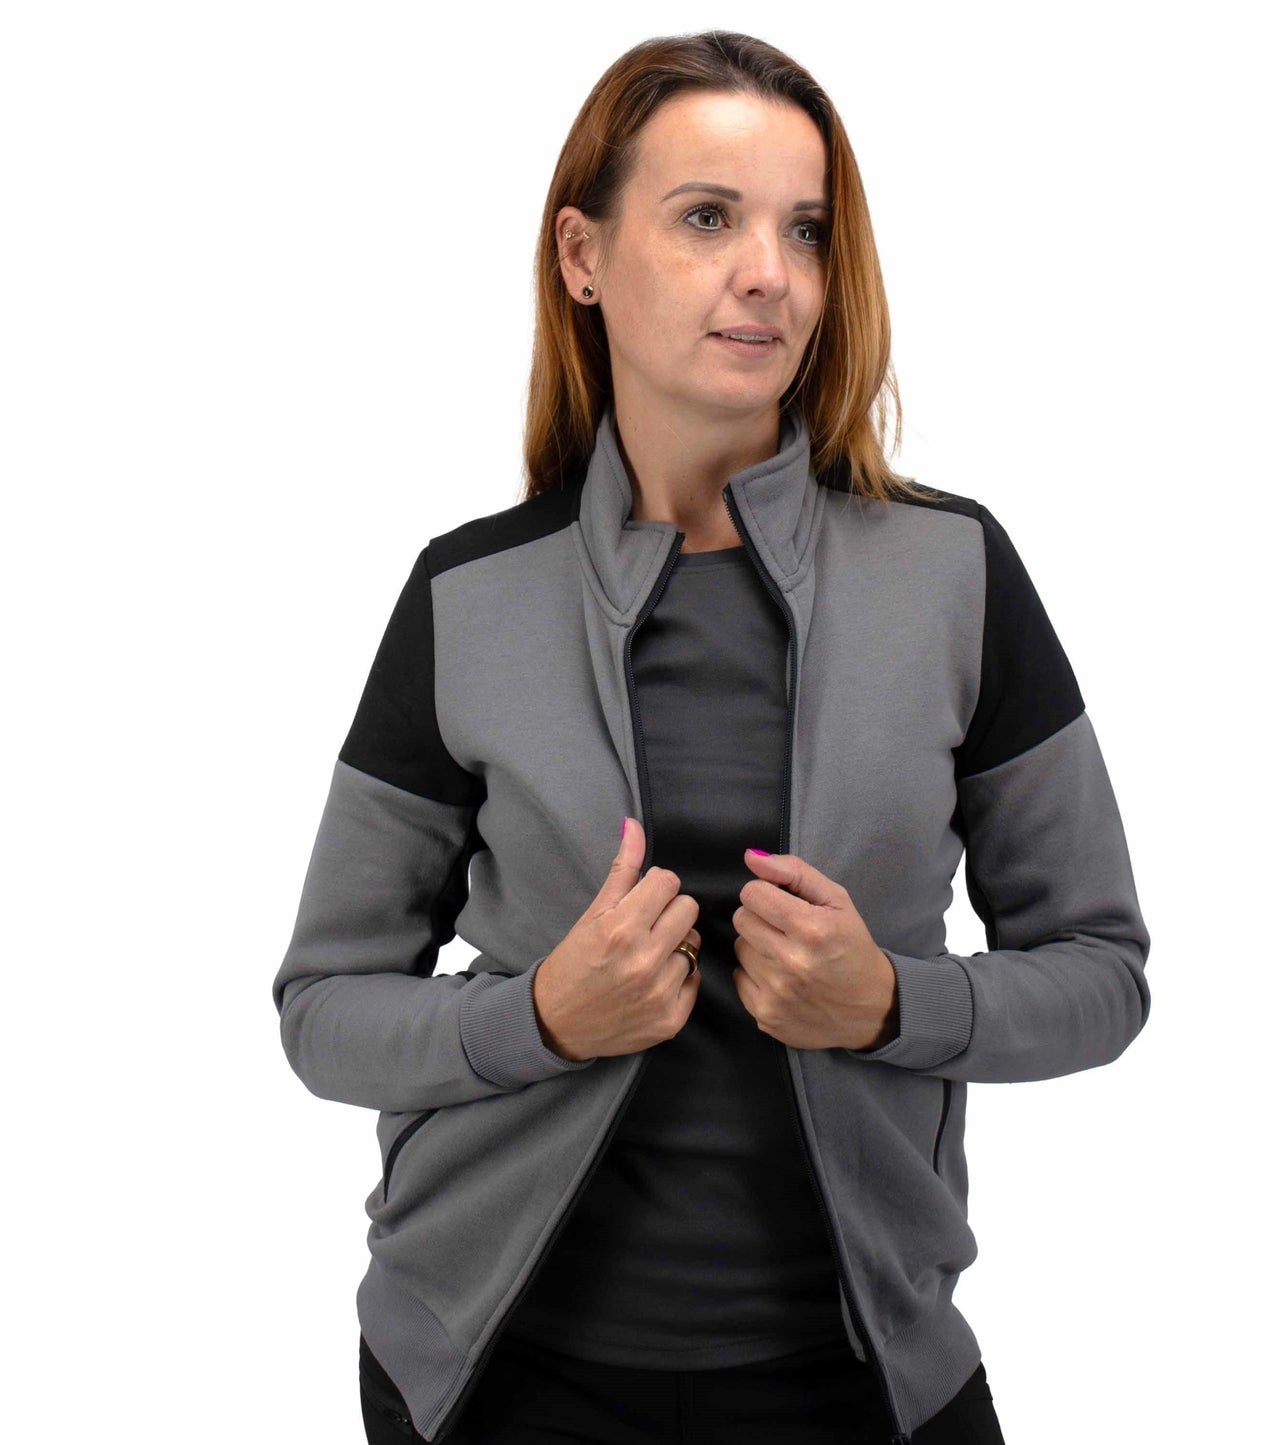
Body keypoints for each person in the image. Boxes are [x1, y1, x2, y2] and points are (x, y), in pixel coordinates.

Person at [272, 28, 1151, 1445]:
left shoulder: (954, 576)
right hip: (496, 1377)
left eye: (805, 230)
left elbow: (1101, 971)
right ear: (582, 255)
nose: (769, 274)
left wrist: (892, 1003)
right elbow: (324, 1011)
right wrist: (539, 1018)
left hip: (858, 1376)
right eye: (706, 218)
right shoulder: (467, 597)